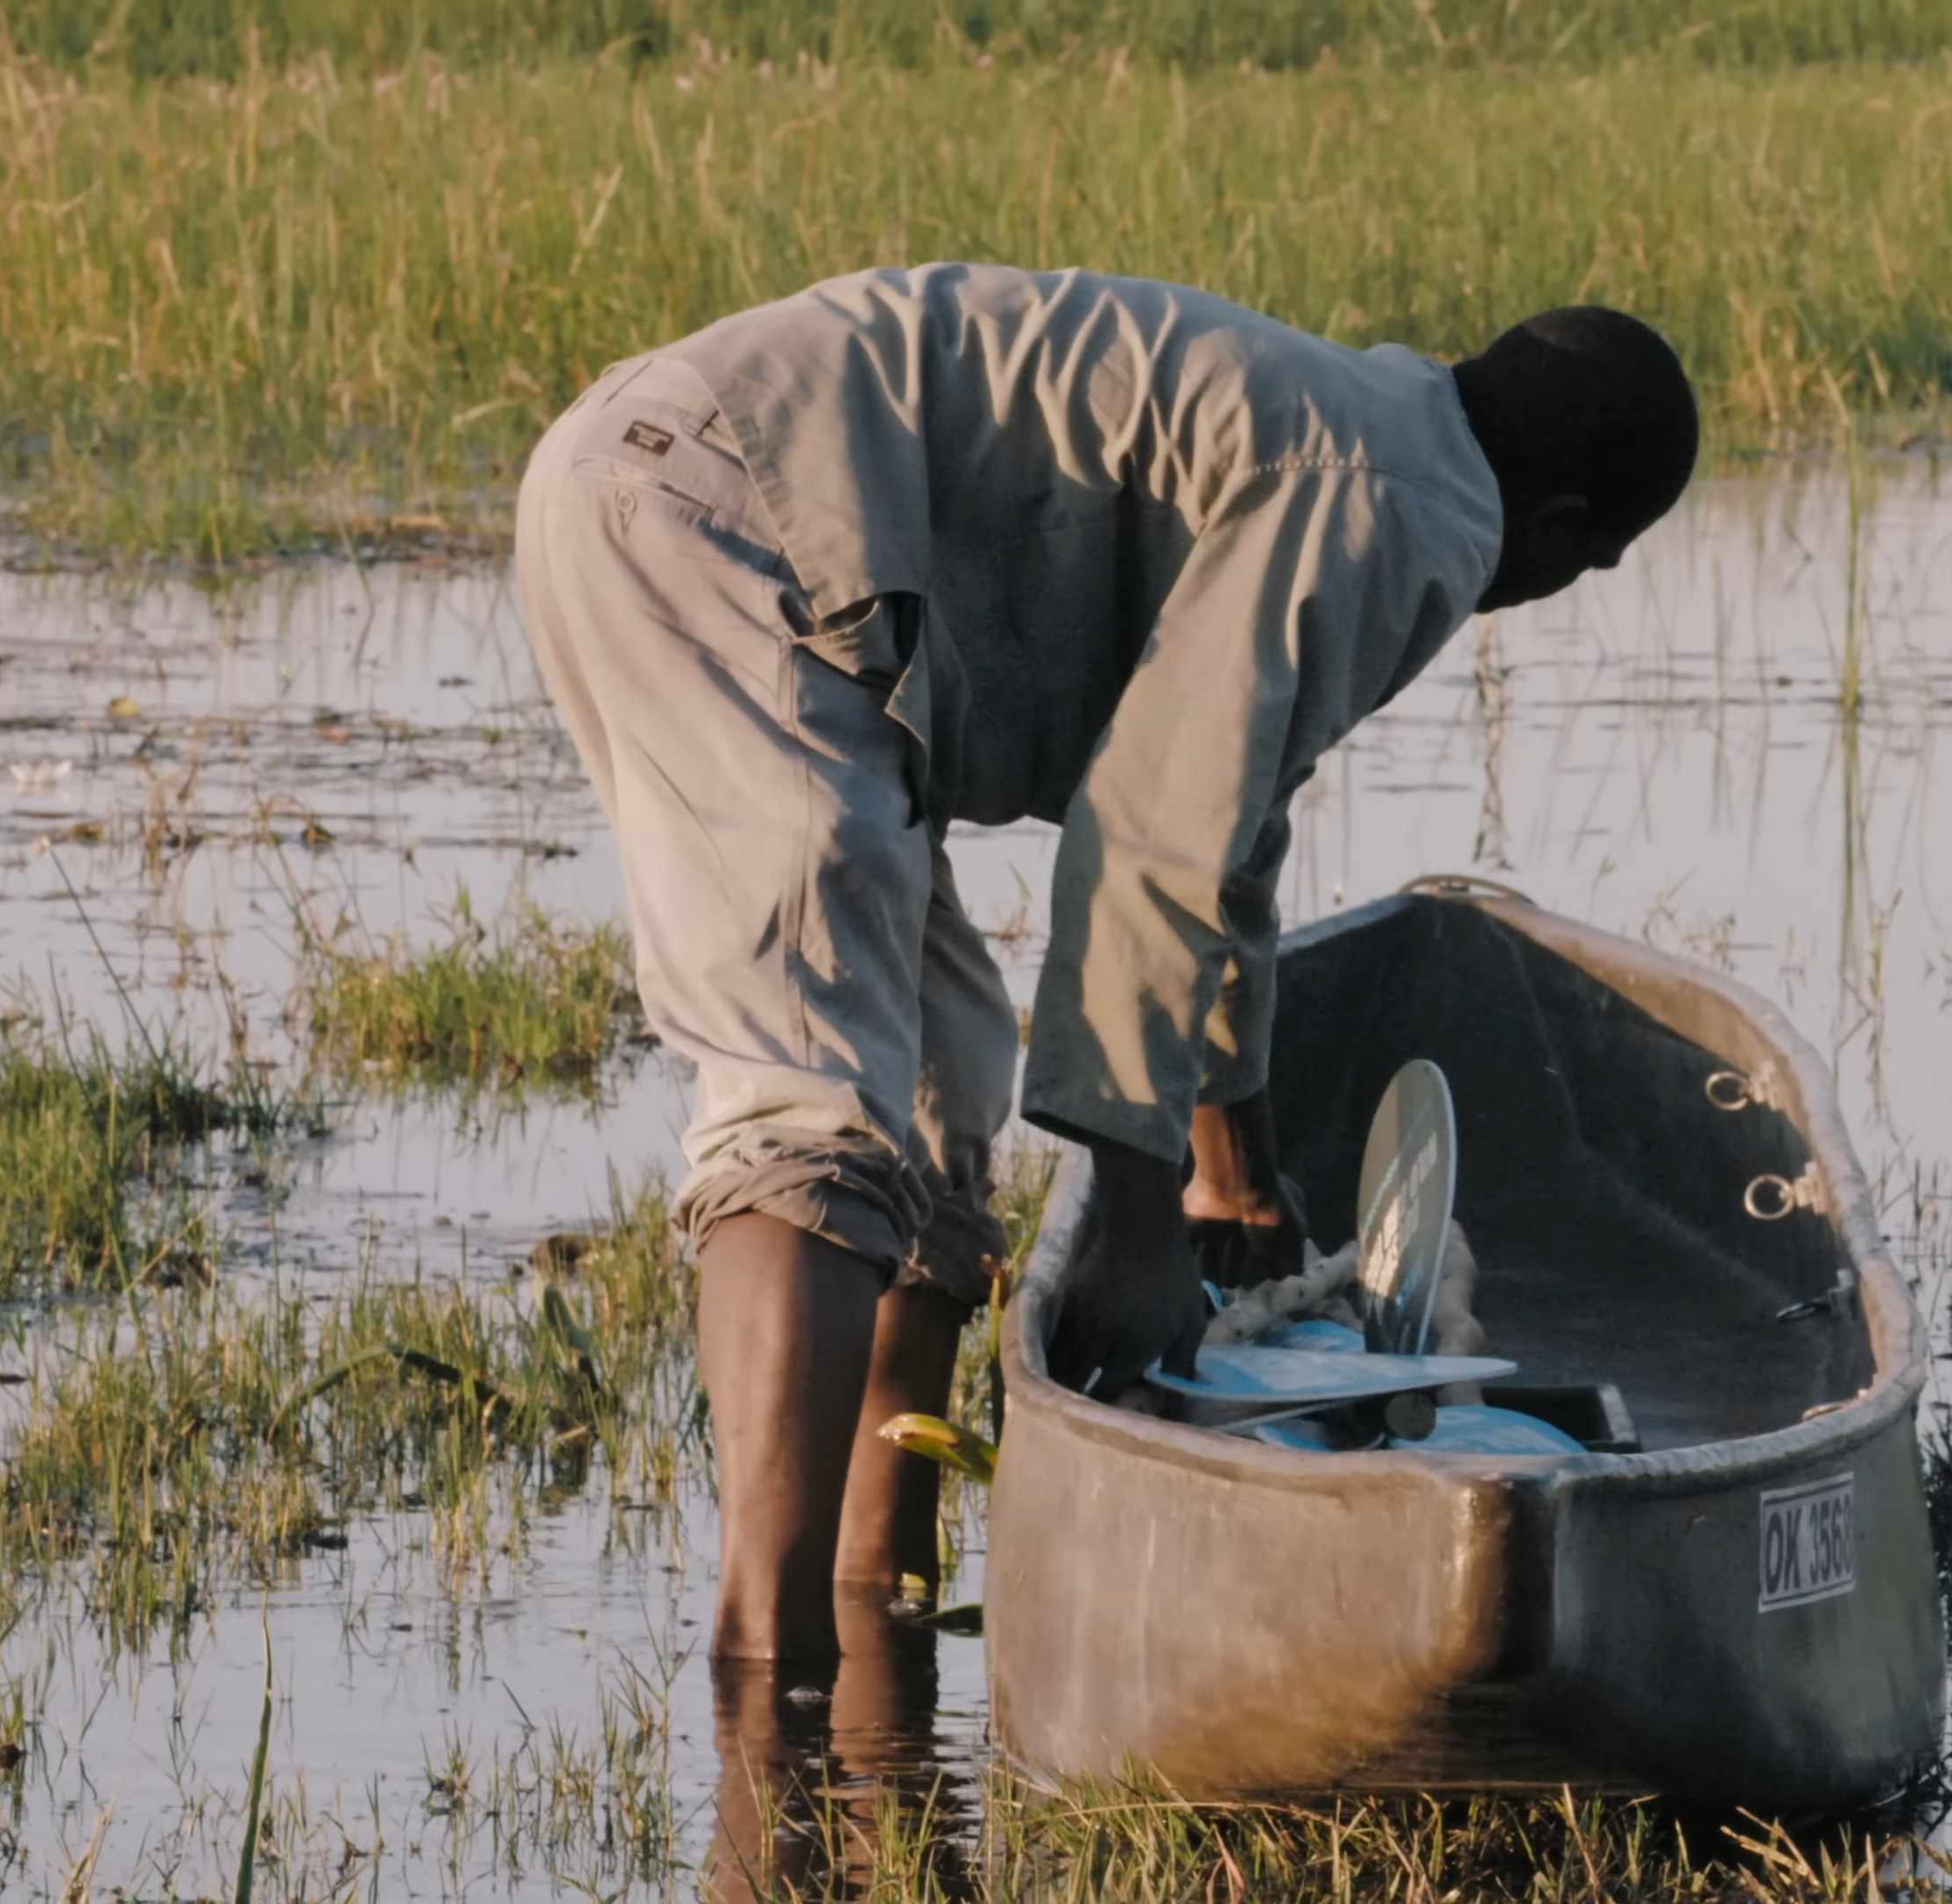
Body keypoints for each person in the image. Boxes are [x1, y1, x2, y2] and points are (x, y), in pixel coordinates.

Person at [512, 264, 1699, 1662]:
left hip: (678, 486)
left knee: (944, 1087)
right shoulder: (1401, 503)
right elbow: (1152, 826)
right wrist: (1137, 1208)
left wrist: (1233, 1164)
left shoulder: (1378, 440)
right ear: (1572, 537)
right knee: (810, 1094)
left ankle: (872, 1600)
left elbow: (1233, 825)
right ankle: (771, 1682)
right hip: (731, 510)